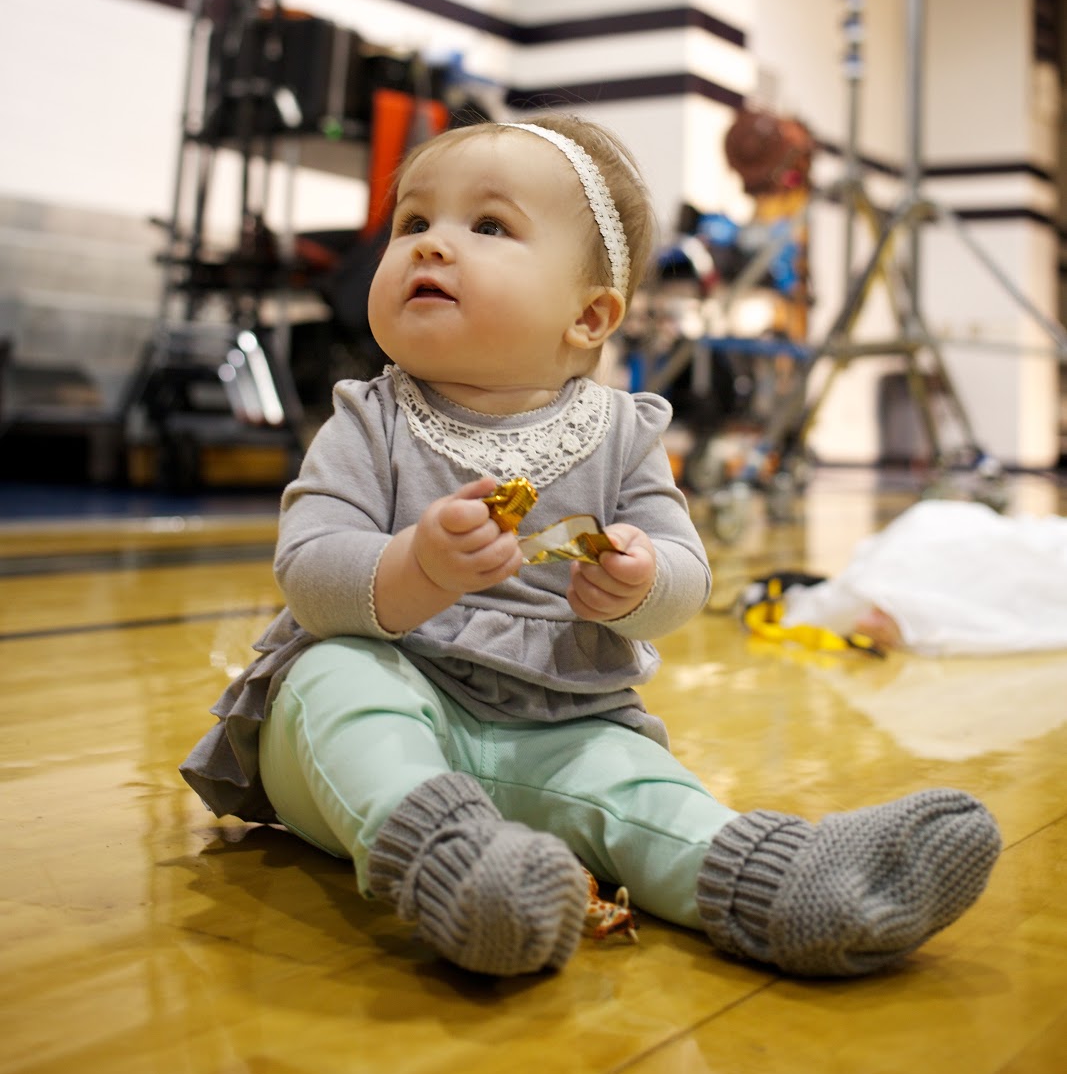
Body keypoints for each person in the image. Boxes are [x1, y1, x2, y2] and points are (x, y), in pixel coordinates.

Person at [181, 114, 1000, 979]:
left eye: (487, 225)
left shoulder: (621, 435)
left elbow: (685, 576)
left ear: (588, 315)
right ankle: (453, 864)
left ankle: (772, 880)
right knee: (338, 681)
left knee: (638, 790)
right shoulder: (370, 419)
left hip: (557, 724)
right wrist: (414, 567)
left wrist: (640, 583)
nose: (432, 244)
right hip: (364, 725)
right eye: (413, 221)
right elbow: (309, 574)